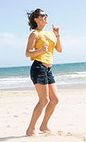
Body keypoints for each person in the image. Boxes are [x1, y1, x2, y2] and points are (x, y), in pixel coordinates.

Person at [25, 8, 63, 136]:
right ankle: (30, 129)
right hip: (38, 67)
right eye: (42, 15)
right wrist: (40, 51)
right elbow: (27, 53)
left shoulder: (50, 34)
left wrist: (57, 34)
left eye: (46, 15)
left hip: (48, 69)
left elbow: (59, 49)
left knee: (55, 100)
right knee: (44, 100)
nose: (45, 17)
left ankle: (44, 125)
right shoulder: (34, 34)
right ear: (36, 19)